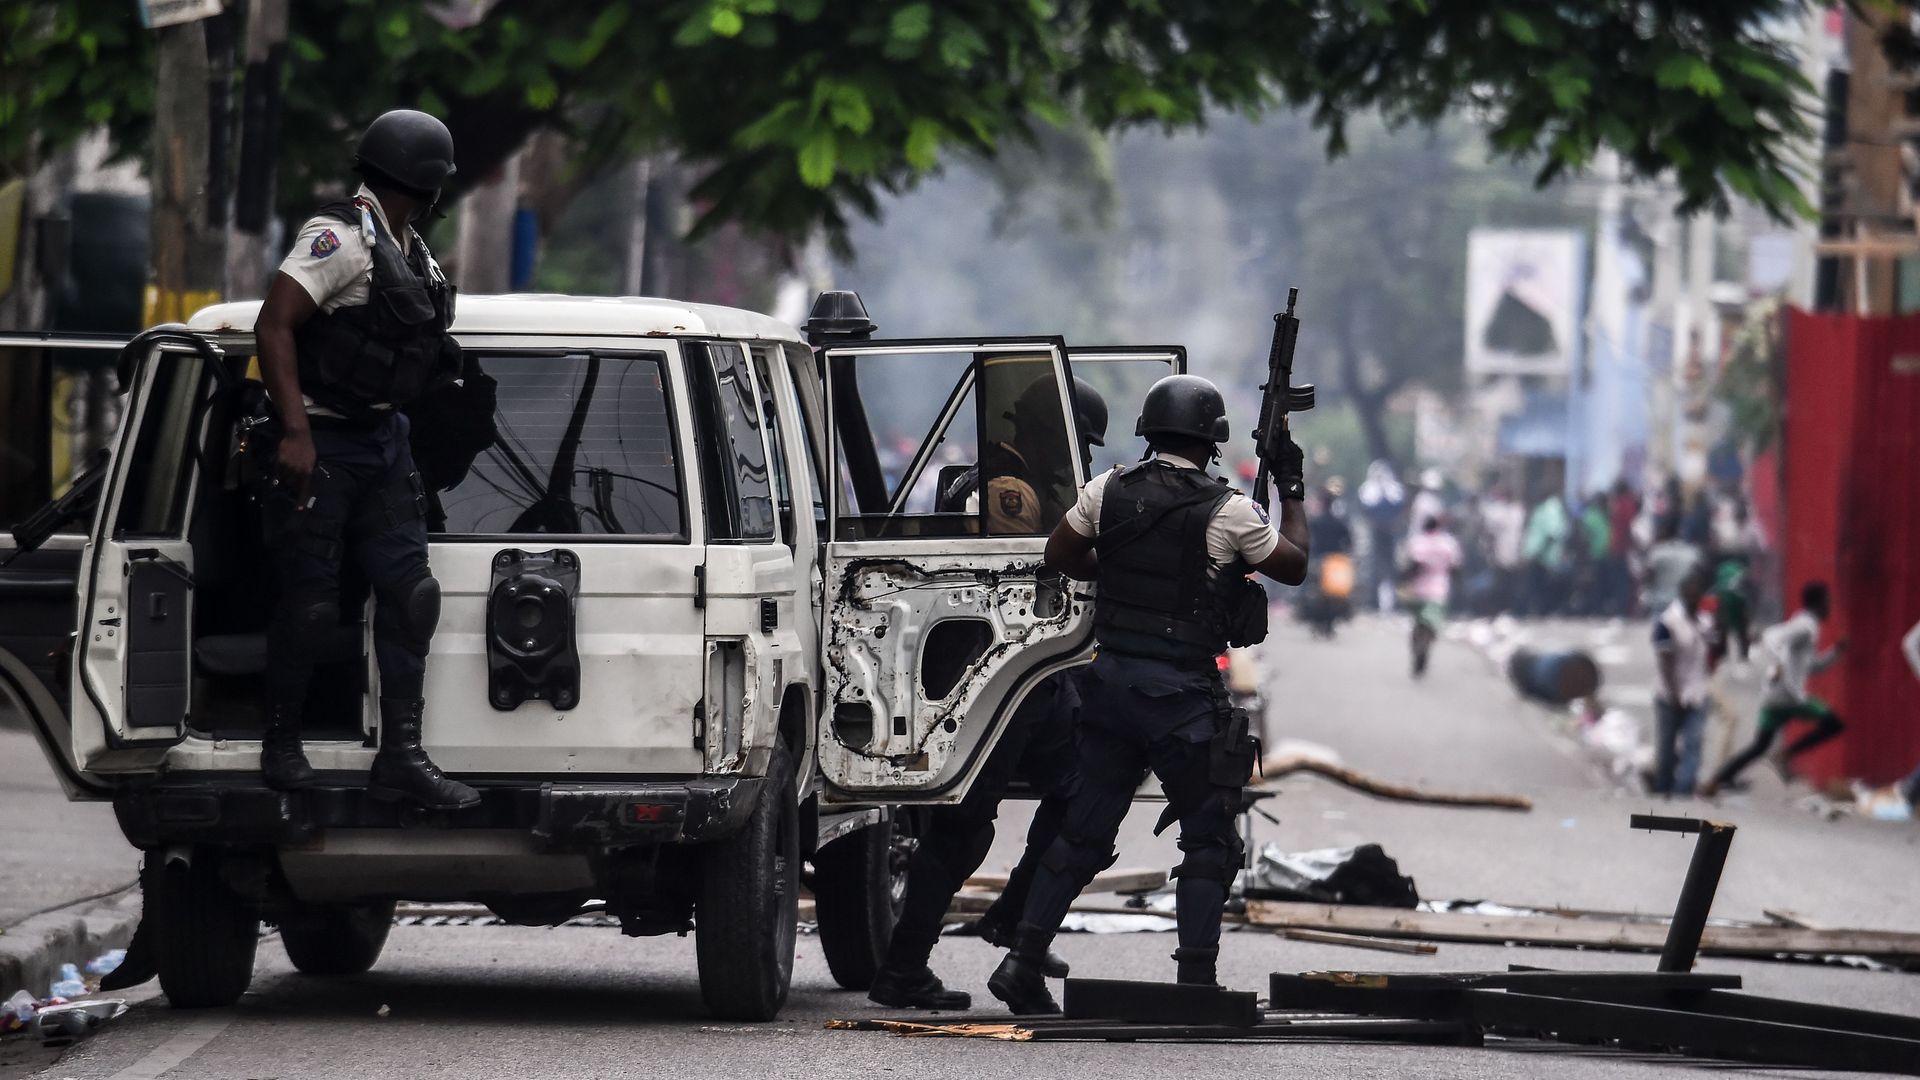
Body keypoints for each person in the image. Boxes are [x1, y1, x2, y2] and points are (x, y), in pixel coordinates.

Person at [986, 374, 1310, 1014]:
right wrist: (1290, 483)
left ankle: (1022, 962)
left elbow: (1061, 553)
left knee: (1081, 834)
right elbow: (1295, 564)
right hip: (1182, 700)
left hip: (1109, 690)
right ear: (1212, 440)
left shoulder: (1108, 490)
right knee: (1210, 841)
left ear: (1150, 430)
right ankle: (1194, 985)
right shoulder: (1231, 511)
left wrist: (1122, 576)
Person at [249, 109, 477, 809]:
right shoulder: (339, 240)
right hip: (322, 438)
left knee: (413, 596)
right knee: (314, 604)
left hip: (383, 440)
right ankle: (282, 744)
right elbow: (274, 323)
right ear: (429, 184)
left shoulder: (408, 248)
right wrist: (294, 431)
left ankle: (402, 757)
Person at [871, 380, 1109, 1011]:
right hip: (996, 675)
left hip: (1032, 675)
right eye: (1074, 443)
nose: (1076, 457)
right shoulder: (1008, 488)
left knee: (1081, 795)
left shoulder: (1006, 479)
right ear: (1044, 431)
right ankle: (903, 967)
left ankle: (1013, 919)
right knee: (962, 831)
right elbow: (1029, 571)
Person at [1699, 582, 1847, 797]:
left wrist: (1835, 652)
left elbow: (1812, 666)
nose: (1829, 607)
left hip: (1776, 698)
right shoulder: (1806, 625)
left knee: (1759, 746)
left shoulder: (1807, 624)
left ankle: (1714, 782)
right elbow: (1772, 637)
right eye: (1827, 602)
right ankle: (1785, 756)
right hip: (1789, 697)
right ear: (1818, 604)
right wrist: (1778, 664)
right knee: (1834, 724)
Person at [1650, 566, 1715, 796]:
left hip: (1696, 694)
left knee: (1693, 745)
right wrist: (1675, 692)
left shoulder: (1705, 621)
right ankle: (1662, 792)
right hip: (1669, 696)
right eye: (1691, 593)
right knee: (1666, 750)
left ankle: (1682, 794)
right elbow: (1665, 660)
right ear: (1683, 593)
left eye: (1699, 593)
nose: (1695, 598)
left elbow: (1714, 650)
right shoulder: (1667, 621)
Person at [1404, 515, 1462, 676]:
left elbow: (1413, 565)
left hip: (1418, 589)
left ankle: (1417, 648)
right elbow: (1456, 567)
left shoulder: (1417, 541)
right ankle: (1426, 647)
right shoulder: (1449, 543)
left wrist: (1405, 578)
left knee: (1417, 623)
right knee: (1432, 624)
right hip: (1439, 590)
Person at [1521, 491, 1571, 615]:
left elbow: (1551, 532)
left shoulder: (1550, 510)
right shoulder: (1551, 509)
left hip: (1545, 556)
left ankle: (1542, 609)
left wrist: (1538, 551)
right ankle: (1541, 609)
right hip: (1545, 554)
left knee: (1541, 584)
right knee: (1541, 584)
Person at [1480, 482, 1526, 615]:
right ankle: (1497, 610)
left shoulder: (1515, 511)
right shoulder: (1502, 511)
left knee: (1507, 585)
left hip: (1509, 553)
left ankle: (1505, 610)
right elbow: (1489, 531)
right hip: (1502, 553)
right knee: (1500, 585)